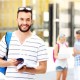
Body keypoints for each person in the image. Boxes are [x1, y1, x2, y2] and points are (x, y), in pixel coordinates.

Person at [0, 6, 48, 80]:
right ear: (17, 20)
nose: (24, 23)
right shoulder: (7, 38)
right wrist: (10, 63)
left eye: (28, 20)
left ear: (31, 21)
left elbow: (43, 69)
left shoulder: (39, 42)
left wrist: (26, 69)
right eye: (21, 19)